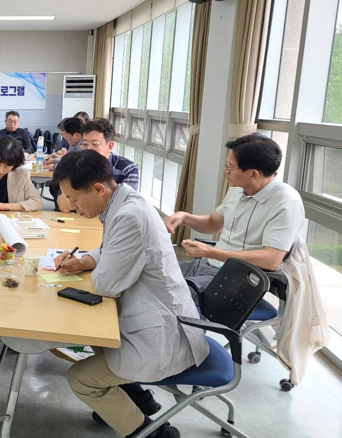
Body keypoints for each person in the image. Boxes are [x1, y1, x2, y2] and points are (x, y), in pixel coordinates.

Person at [53, 150, 208, 438]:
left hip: (162, 337)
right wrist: (84, 261)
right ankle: (137, 399)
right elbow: (110, 250)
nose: (72, 206)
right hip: (156, 317)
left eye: (74, 198)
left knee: (81, 379)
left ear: (98, 189)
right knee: (96, 337)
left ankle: (155, 434)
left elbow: (106, 284)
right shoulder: (123, 202)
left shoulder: (128, 216)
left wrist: (96, 267)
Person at [165, 133, 304, 303]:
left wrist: (210, 252)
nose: (226, 171)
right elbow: (212, 224)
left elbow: (270, 260)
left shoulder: (287, 203)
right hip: (208, 265)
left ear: (253, 174)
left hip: (239, 281)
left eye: (230, 166)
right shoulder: (238, 188)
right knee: (149, 277)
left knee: (164, 297)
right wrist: (183, 217)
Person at [57, 118, 139, 213]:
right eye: (84, 144)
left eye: (95, 144)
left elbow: (123, 206)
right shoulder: (74, 165)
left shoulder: (127, 168)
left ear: (110, 146)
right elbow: (64, 207)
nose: (88, 149)